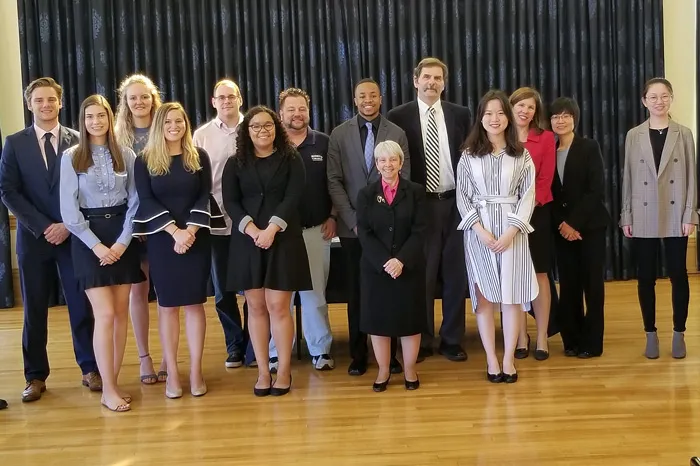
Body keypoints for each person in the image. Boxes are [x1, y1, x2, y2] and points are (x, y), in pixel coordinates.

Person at [0, 77, 100, 403]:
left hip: (73, 237)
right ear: (30, 104)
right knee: (34, 310)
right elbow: (8, 190)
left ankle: (90, 368)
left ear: (60, 103)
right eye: (39, 100)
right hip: (33, 238)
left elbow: (87, 189)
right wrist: (45, 226)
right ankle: (35, 376)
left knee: (80, 305)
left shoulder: (78, 140)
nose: (45, 105)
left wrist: (67, 225)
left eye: (51, 100)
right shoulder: (14, 143)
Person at [133, 102, 225, 398]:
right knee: (167, 306)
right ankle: (172, 372)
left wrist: (190, 232)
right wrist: (175, 231)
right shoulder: (144, 159)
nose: (175, 126)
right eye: (169, 121)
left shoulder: (199, 156)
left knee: (195, 305)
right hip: (163, 241)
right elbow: (146, 200)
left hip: (196, 237)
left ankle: (195, 371)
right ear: (159, 124)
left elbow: (204, 196)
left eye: (180, 121)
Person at [60, 94, 144, 412]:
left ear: (110, 118)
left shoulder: (126, 154)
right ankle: (107, 387)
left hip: (122, 235)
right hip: (88, 240)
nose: (96, 122)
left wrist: (123, 242)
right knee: (105, 314)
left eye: (101, 116)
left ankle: (115, 381)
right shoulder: (71, 157)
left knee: (121, 315)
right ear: (82, 120)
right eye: (90, 116)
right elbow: (69, 210)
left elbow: (135, 202)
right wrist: (96, 245)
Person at [222, 106, 312, 397]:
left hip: (282, 240)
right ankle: (263, 371)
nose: (263, 131)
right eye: (256, 126)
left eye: (268, 125)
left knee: (278, 307)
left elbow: (294, 196)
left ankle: (283, 370)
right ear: (246, 132)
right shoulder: (235, 162)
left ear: (277, 128)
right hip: (247, 241)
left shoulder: (291, 158)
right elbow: (231, 202)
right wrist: (252, 230)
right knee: (256, 308)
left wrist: (272, 229)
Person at [387, 57, 471, 362]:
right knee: (421, 277)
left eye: (437, 78)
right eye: (427, 78)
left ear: (444, 83)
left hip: (456, 204)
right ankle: (420, 340)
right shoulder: (398, 116)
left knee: (455, 274)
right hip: (421, 207)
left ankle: (451, 339)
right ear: (415, 80)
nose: (432, 83)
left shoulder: (461, 115)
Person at [327, 78, 410, 376]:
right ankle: (359, 354)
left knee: (390, 291)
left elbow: (404, 180)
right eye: (362, 95)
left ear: (381, 98)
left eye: (373, 95)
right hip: (353, 230)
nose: (368, 100)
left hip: (389, 232)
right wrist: (353, 220)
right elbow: (334, 181)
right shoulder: (339, 135)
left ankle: (391, 356)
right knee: (358, 293)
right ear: (355, 99)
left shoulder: (397, 133)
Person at [456, 90, 538, 384]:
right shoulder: (468, 155)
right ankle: (491, 359)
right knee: (485, 297)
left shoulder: (521, 154)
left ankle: (508, 360)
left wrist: (511, 231)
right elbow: (463, 198)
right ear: (481, 117)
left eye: (500, 113)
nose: (494, 119)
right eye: (488, 113)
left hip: (512, 233)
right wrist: (480, 231)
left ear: (508, 117)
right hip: (479, 234)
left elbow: (528, 196)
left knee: (512, 298)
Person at [620, 77, 698, 359]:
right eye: (653, 97)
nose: (659, 101)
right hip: (642, 213)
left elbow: (691, 177)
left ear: (671, 98)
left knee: (678, 274)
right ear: (644, 101)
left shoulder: (684, 133)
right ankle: (650, 334)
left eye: (664, 96)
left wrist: (690, 214)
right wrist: (626, 214)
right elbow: (628, 177)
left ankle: (679, 333)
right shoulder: (634, 135)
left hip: (676, 214)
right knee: (645, 277)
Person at [268, 88, 335, 371]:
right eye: (291, 109)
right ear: (280, 113)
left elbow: (334, 182)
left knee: (315, 295)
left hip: (315, 230)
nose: (297, 114)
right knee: (278, 296)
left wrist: (332, 216)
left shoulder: (323, 143)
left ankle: (320, 349)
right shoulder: (270, 144)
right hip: (278, 236)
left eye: (302, 109)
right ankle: (277, 350)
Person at [356, 141, 427, 392]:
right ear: (376, 164)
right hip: (377, 269)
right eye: (382, 160)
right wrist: (385, 262)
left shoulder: (416, 191)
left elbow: (420, 231)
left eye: (392, 159)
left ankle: (409, 369)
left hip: (409, 267)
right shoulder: (365, 194)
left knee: (410, 319)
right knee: (379, 321)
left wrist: (401, 260)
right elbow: (364, 233)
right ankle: (384, 370)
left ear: (401, 162)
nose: (388, 165)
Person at [193, 79, 252, 369]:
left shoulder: (254, 127)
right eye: (221, 97)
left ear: (240, 99)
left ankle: (255, 345)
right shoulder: (201, 136)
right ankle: (235, 345)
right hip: (215, 223)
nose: (227, 101)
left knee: (253, 287)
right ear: (213, 102)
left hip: (251, 222)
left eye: (232, 96)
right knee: (222, 291)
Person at [114, 73, 166, 384]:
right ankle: (144, 358)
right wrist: (137, 224)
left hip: (164, 223)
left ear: (153, 98)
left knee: (167, 295)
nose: (139, 102)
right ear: (125, 102)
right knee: (138, 292)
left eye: (144, 96)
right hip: (133, 226)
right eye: (133, 97)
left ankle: (165, 358)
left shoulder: (167, 128)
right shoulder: (117, 136)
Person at [550, 97, 610, 359]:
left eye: (566, 115)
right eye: (555, 116)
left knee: (593, 287)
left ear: (575, 118)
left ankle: (592, 342)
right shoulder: (546, 150)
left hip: (590, 227)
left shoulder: (589, 147)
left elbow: (595, 189)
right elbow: (545, 193)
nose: (560, 120)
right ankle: (571, 339)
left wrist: (574, 223)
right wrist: (562, 225)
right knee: (569, 286)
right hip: (561, 230)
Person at [509, 87, 556, 361]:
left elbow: (545, 179)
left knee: (539, 275)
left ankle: (541, 337)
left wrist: (525, 209)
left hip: (537, 214)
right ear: (511, 106)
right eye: (520, 105)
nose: (525, 111)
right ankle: (521, 335)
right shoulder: (500, 136)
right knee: (513, 275)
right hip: (506, 216)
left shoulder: (546, 138)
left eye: (531, 107)